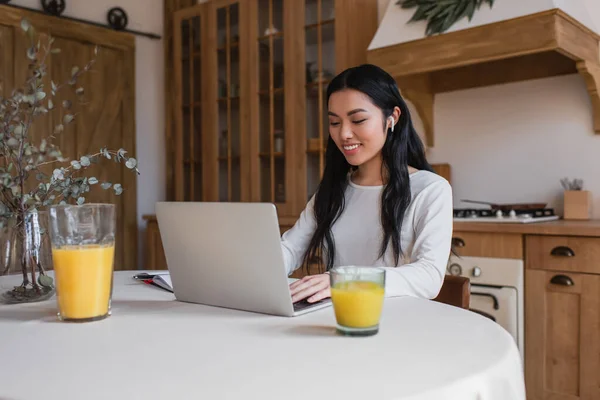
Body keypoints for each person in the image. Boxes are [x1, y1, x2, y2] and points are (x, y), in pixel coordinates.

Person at [281, 64, 453, 304]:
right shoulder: (334, 190)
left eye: (358, 120)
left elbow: (429, 276)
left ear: (392, 117)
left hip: (399, 323)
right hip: (339, 318)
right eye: (334, 123)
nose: (344, 134)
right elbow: (290, 249)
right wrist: (251, 269)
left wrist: (344, 280)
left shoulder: (430, 189)